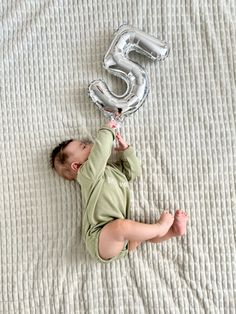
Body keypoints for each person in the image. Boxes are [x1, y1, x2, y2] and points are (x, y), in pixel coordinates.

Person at [50, 120, 188, 263]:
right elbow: (101, 151)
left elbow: (133, 172)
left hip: (121, 240)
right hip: (100, 238)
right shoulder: (86, 175)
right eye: (84, 146)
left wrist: (125, 152)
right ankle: (160, 228)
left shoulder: (112, 170)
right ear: (77, 166)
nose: (91, 144)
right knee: (122, 227)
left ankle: (172, 232)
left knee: (137, 229)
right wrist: (107, 130)